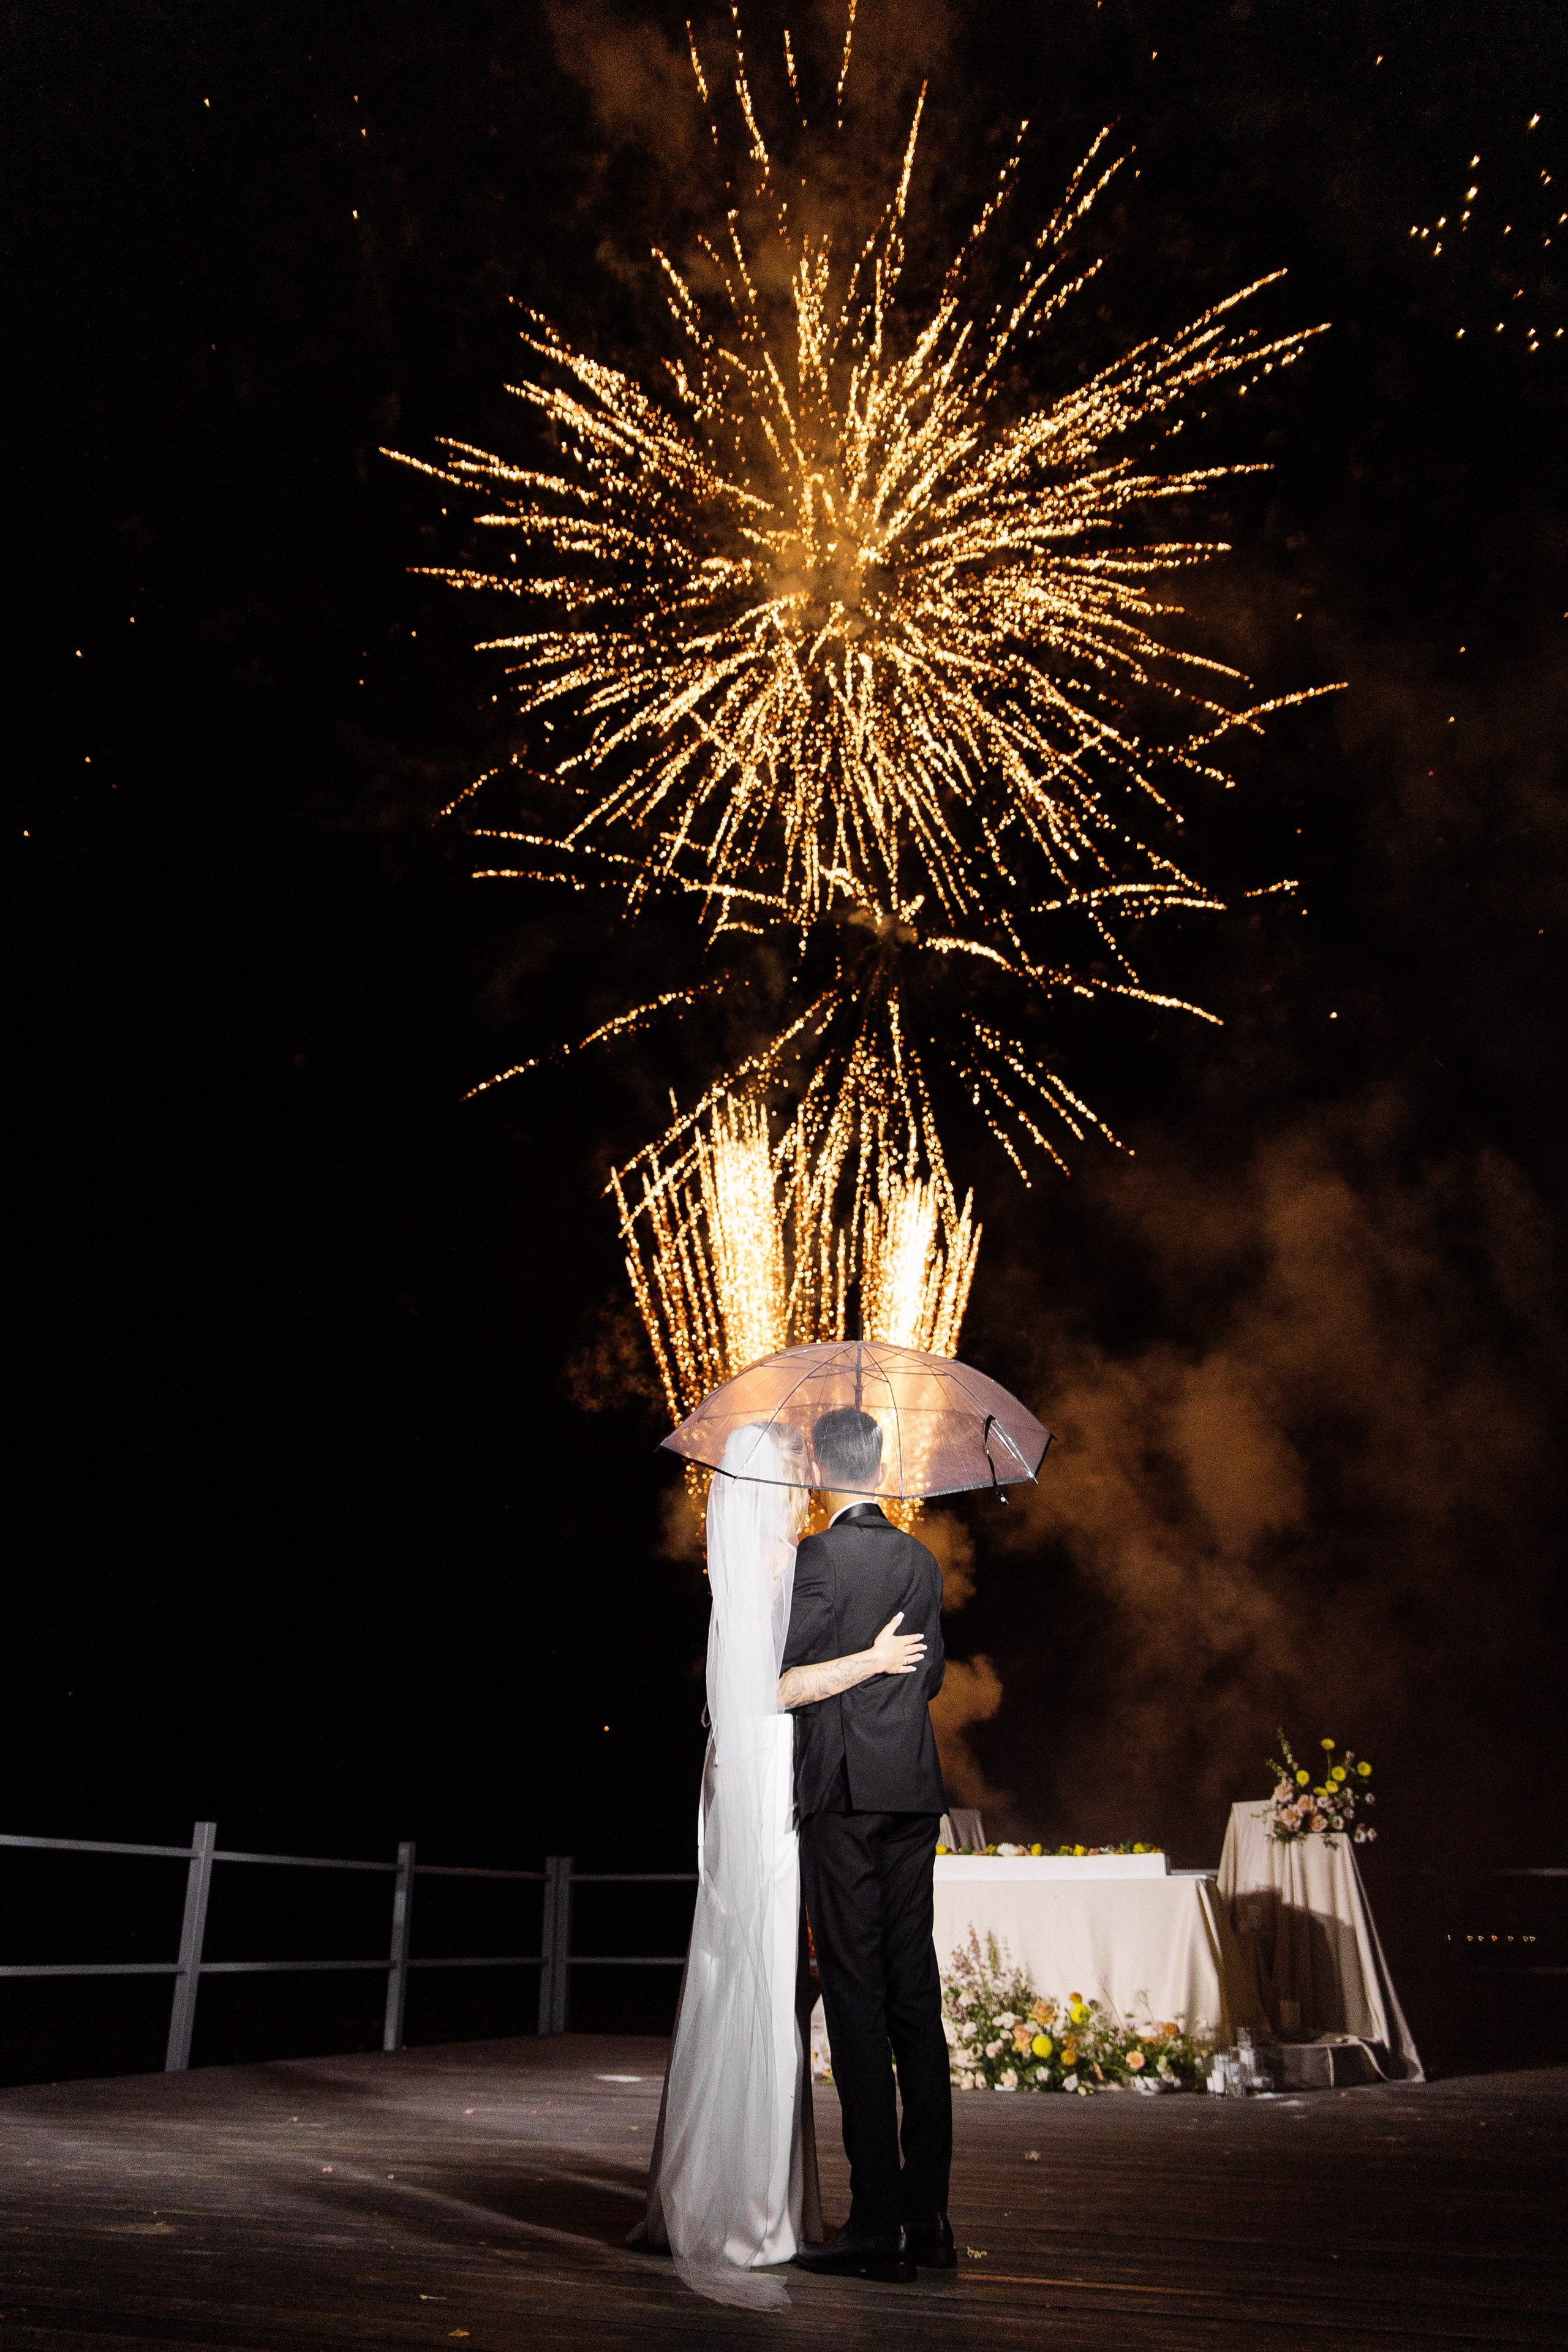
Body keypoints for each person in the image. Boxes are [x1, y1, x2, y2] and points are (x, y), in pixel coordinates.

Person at [635, 1422, 925, 2308]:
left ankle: (759, 2193)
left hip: (767, 1775)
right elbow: (769, 1686)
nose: (804, 1483)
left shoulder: (778, 1564)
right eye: (790, 1474)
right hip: (771, 1774)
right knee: (767, 1969)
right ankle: (760, 2206)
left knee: (760, 1970)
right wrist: (875, 1663)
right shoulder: (790, 1565)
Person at [782, 1405, 955, 2284]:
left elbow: (790, 1683)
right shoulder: (922, 1559)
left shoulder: (818, 1556)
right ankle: (930, 2222)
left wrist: (855, 1668)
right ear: (881, 1465)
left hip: (845, 1797)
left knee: (855, 2001)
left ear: (820, 1467)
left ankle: (874, 2227)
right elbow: (933, 1675)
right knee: (914, 2003)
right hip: (913, 1795)